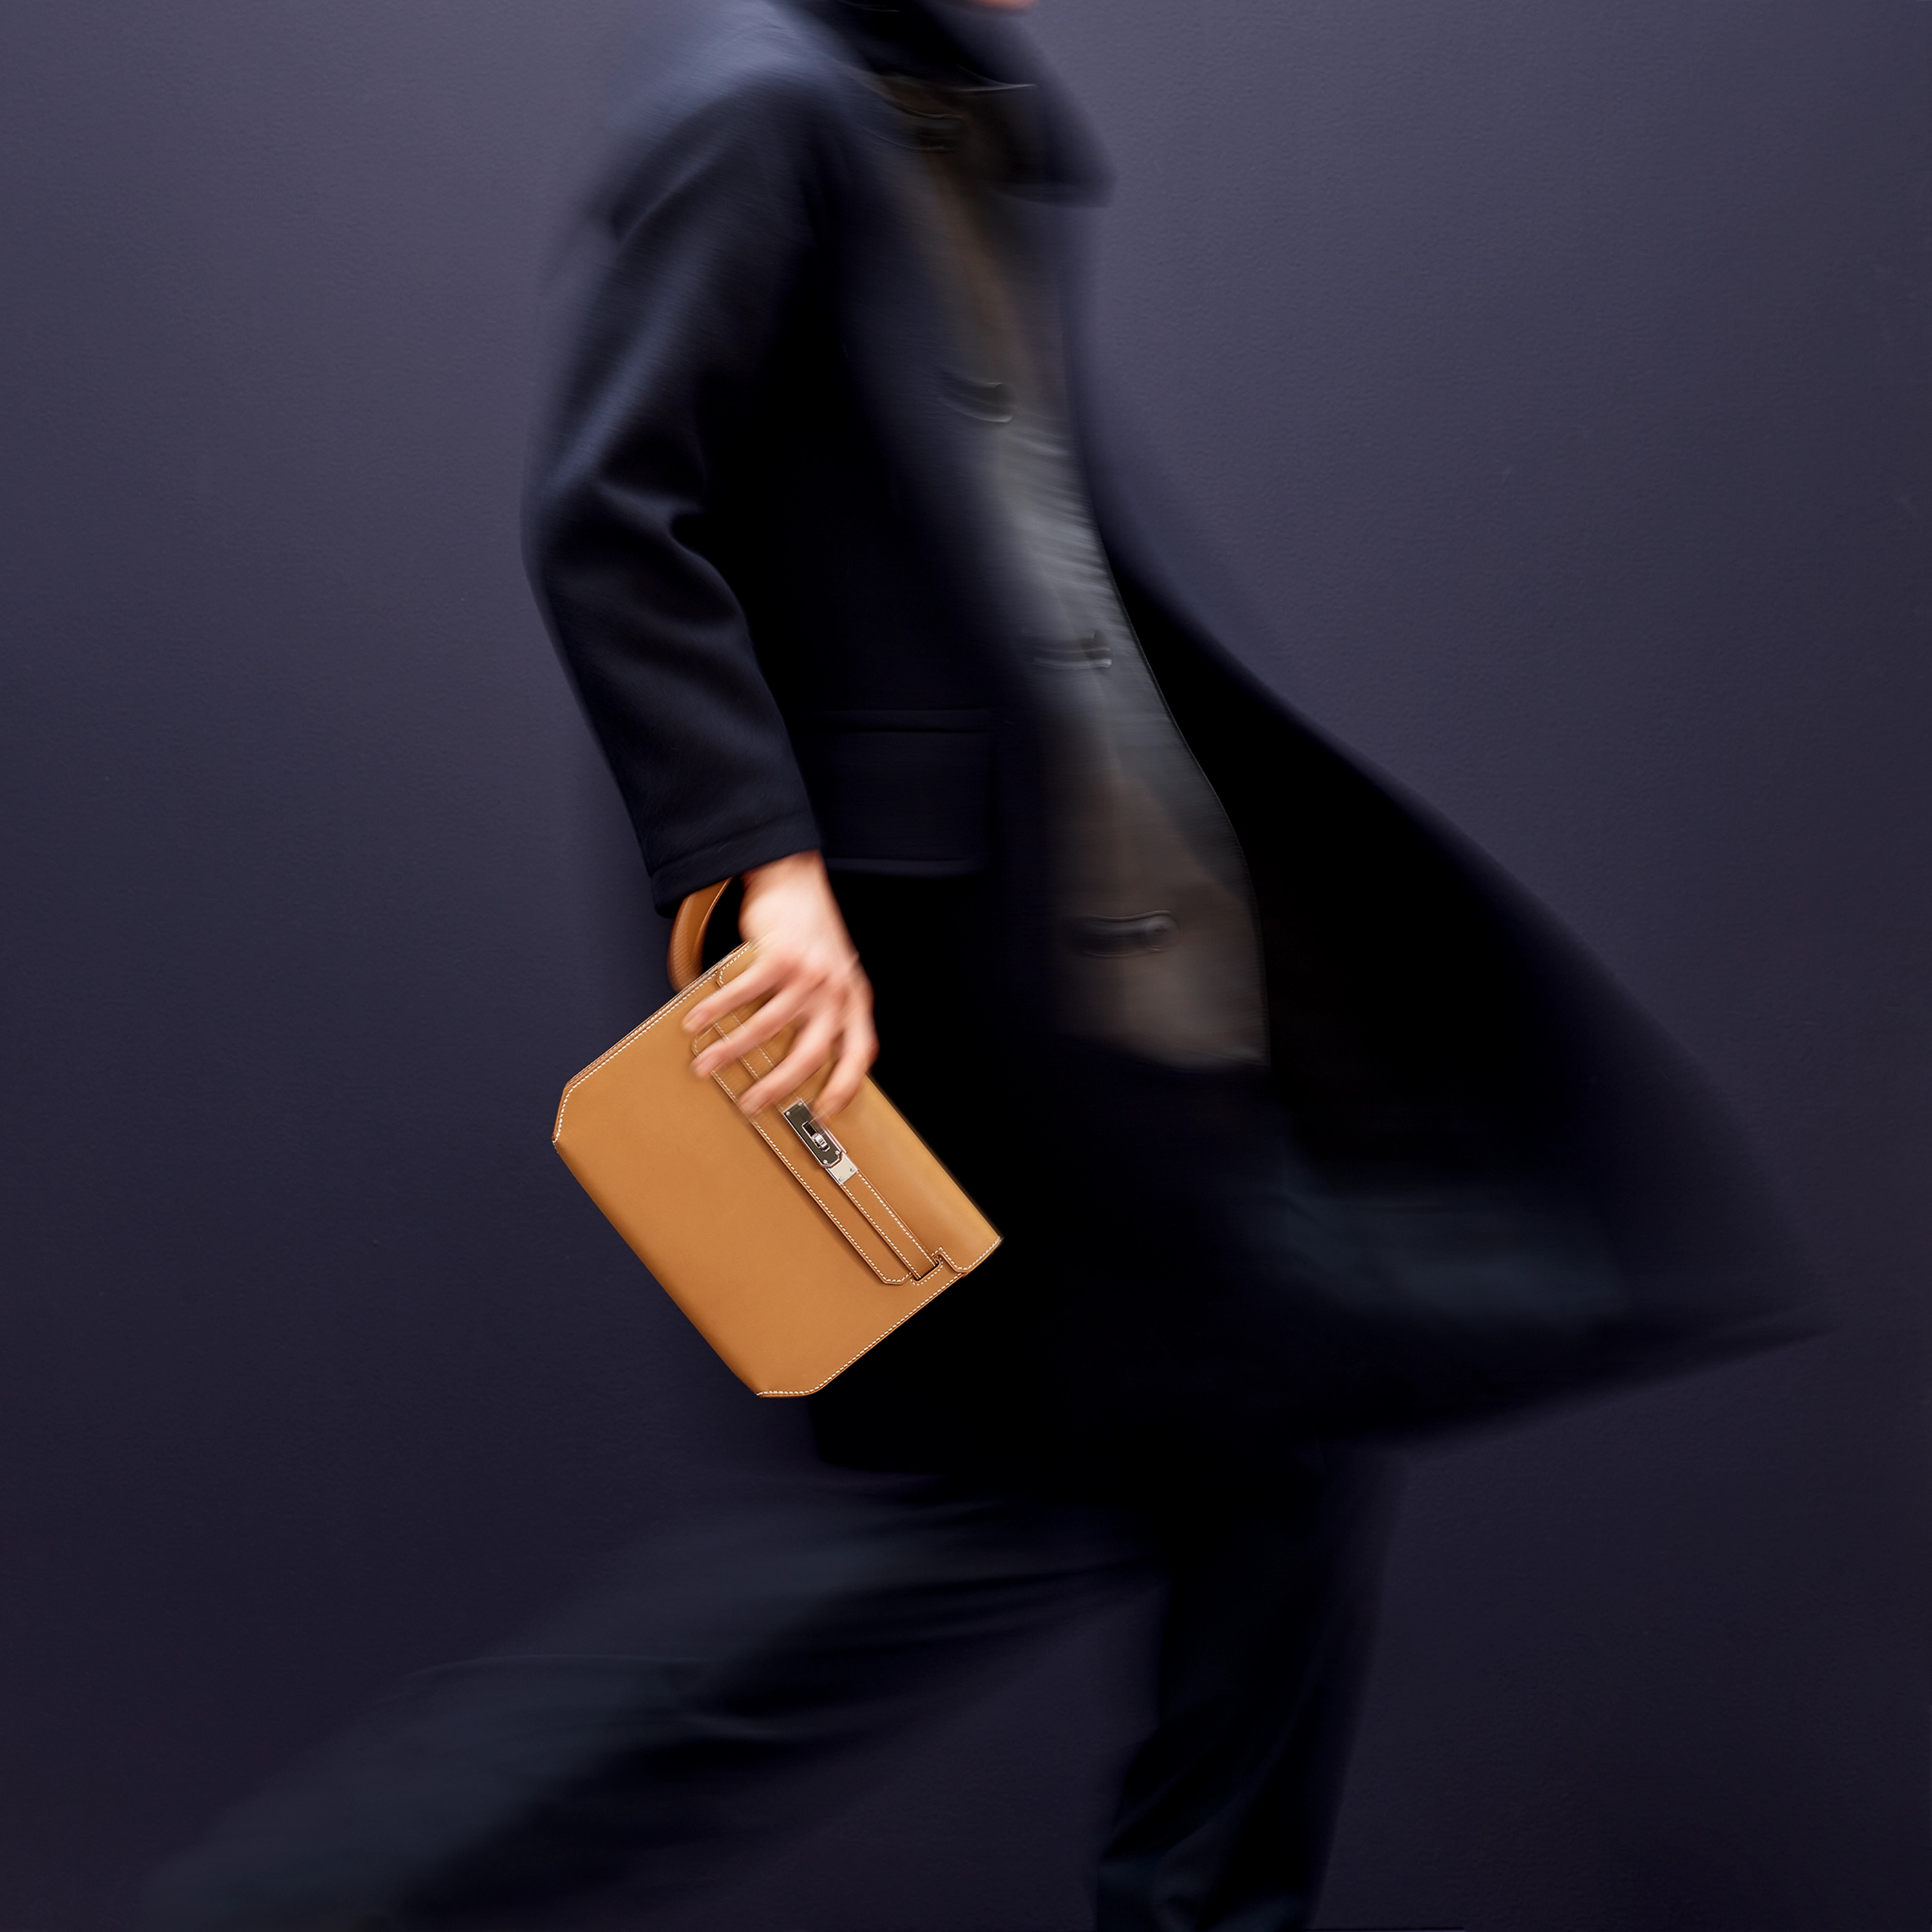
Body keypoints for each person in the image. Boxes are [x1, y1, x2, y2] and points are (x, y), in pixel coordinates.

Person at [144, 1, 1803, 1927]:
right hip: (954, 990)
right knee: (967, 1527)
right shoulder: (760, 107)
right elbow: (610, 507)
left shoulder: (941, 119)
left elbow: (1021, 562)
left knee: (1281, 1444)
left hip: (1117, 953)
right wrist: (762, 865)